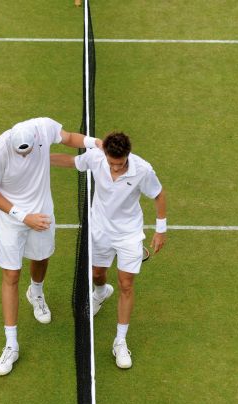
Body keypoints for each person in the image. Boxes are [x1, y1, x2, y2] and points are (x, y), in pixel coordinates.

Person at [0, 117, 103, 376]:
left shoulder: (43, 127)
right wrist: (23, 217)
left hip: (42, 213)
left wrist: (95, 143)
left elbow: (69, 138)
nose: (23, 157)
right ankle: (11, 344)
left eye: (27, 152)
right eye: (19, 153)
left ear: (35, 141)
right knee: (11, 274)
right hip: (11, 218)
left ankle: (36, 293)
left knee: (42, 258)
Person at [51, 131, 167, 369]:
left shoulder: (143, 169)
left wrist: (160, 230)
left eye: (120, 164)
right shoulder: (95, 158)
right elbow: (71, 162)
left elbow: (158, 194)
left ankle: (120, 341)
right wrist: (39, 158)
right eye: (112, 164)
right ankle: (101, 292)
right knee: (96, 274)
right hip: (100, 230)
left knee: (126, 284)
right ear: (104, 154)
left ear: (127, 155)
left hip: (129, 234)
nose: (115, 168)